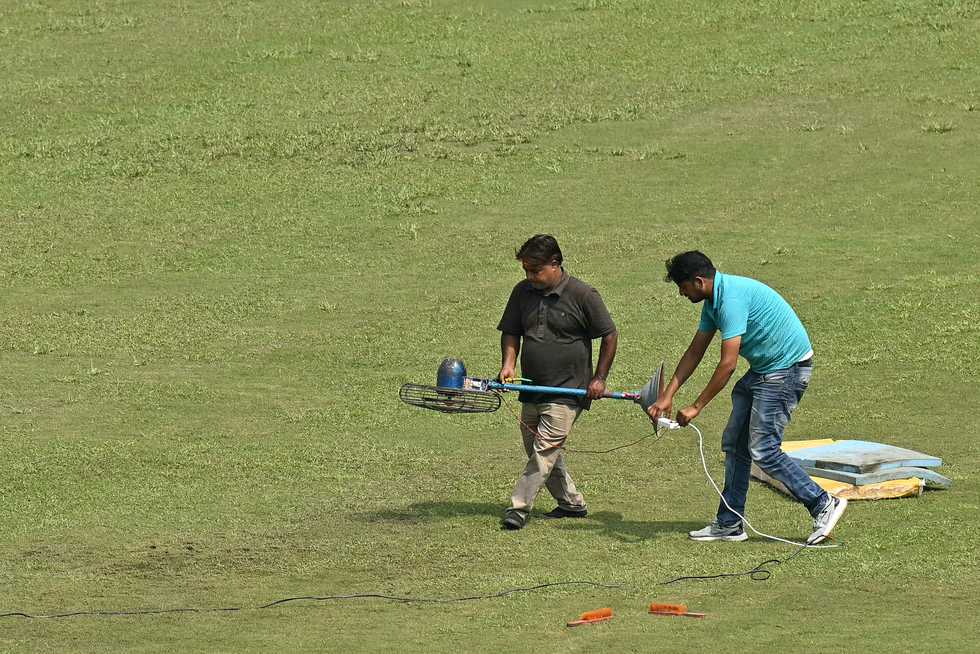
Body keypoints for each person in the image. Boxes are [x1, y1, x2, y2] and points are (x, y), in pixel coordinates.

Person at [647, 251, 846, 544]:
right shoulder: (714, 301)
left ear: (699, 281)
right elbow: (695, 351)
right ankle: (729, 523)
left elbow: (727, 365)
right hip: (765, 369)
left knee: (764, 448)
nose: (681, 293)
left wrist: (696, 406)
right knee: (737, 445)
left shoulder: (731, 301)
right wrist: (667, 396)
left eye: (682, 286)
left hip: (787, 369)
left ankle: (823, 503)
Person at [496, 235, 619, 530]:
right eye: (526, 270)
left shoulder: (583, 294)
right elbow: (511, 331)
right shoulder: (522, 292)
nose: (530, 277)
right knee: (538, 449)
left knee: (544, 451)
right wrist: (508, 364)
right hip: (531, 388)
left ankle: (519, 507)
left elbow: (610, 335)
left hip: (568, 390)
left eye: (535, 270)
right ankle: (571, 503)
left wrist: (599, 378)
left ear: (555, 264)